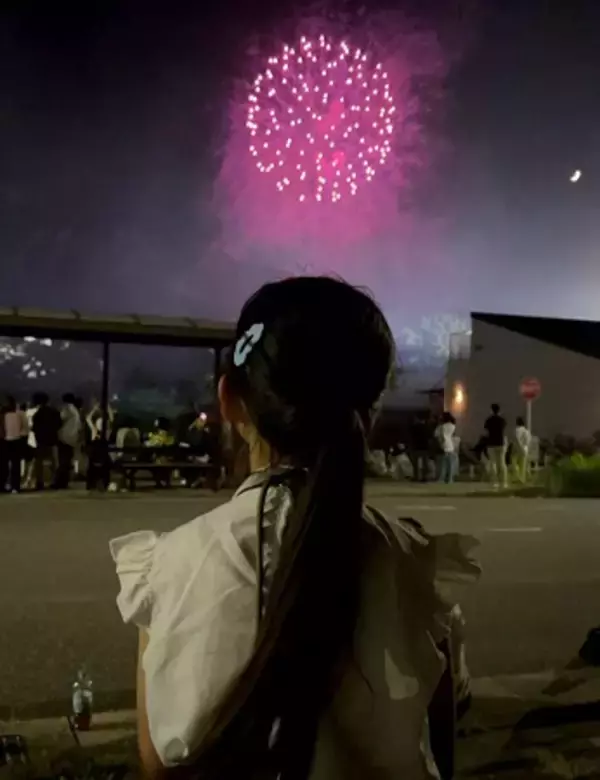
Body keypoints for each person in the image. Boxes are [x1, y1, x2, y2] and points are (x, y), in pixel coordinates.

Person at [110, 277, 480, 780]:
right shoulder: (416, 568)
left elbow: (159, 764)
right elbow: (440, 747)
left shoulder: (172, 565)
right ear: (370, 411)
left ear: (229, 401)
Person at [32, 393, 61, 490]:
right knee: (54, 462)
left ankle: (40, 482)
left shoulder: (37, 414)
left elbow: (34, 428)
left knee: (39, 462)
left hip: (41, 441)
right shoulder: (54, 412)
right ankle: (55, 481)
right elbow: (59, 424)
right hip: (53, 440)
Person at [55, 393, 82, 489]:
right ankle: (64, 482)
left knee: (63, 460)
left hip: (64, 438)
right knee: (67, 461)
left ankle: (60, 482)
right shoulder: (76, 411)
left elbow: (60, 419)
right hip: (72, 438)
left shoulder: (67, 409)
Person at [2, 396, 28, 493]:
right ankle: (13, 486)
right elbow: (25, 428)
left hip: (10, 440)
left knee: (10, 464)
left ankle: (11, 485)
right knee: (13, 464)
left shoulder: (6, 414)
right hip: (13, 440)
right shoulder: (19, 413)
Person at [484, 403, 508, 489]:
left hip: (491, 443)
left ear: (491, 410)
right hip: (501, 443)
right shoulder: (502, 420)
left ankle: (494, 482)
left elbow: (486, 431)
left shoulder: (489, 420)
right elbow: (504, 430)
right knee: (502, 463)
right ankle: (504, 482)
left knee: (493, 463)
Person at [409, 411, 431, 482]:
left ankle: (416, 476)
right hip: (425, 447)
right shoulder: (427, 427)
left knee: (415, 463)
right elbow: (430, 437)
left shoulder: (414, 427)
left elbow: (411, 437)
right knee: (425, 463)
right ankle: (425, 477)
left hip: (416, 446)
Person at [435, 412, 456, 485]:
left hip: (444, 445)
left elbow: (439, 436)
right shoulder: (453, 426)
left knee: (443, 464)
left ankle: (441, 478)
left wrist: (441, 444)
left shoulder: (441, 427)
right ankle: (450, 479)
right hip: (451, 445)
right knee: (450, 464)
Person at [513, 416, 531, 484]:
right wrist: (525, 447)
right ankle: (522, 478)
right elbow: (528, 440)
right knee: (523, 465)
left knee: (514, 463)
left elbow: (516, 439)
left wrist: (518, 447)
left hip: (517, 449)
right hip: (525, 448)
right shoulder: (527, 431)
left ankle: (517, 477)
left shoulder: (517, 430)